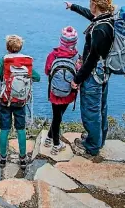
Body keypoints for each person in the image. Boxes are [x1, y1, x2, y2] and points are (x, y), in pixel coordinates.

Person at [65, 0, 115, 156]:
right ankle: (99, 139)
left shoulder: (100, 30)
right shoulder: (108, 19)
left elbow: (92, 59)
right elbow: (90, 15)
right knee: (101, 108)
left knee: (91, 111)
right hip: (104, 73)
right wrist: (73, 7)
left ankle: (92, 146)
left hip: (93, 75)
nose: (89, 5)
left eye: (90, 2)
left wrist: (77, 79)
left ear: (95, 4)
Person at [0, 35, 40, 169]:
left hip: (5, 101)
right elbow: (37, 77)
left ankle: (3, 158)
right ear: (20, 47)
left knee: (4, 129)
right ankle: (22, 159)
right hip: (20, 101)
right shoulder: (26, 62)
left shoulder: (3, 61)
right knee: (20, 129)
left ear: (7, 47)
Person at [44, 26, 81, 155]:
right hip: (68, 93)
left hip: (54, 92)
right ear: (75, 42)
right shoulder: (77, 57)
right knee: (58, 117)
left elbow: (47, 71)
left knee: (56, 117)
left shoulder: (53, 55)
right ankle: (56, 145)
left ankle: (49, 138)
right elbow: (79, 75)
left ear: (61, 40)